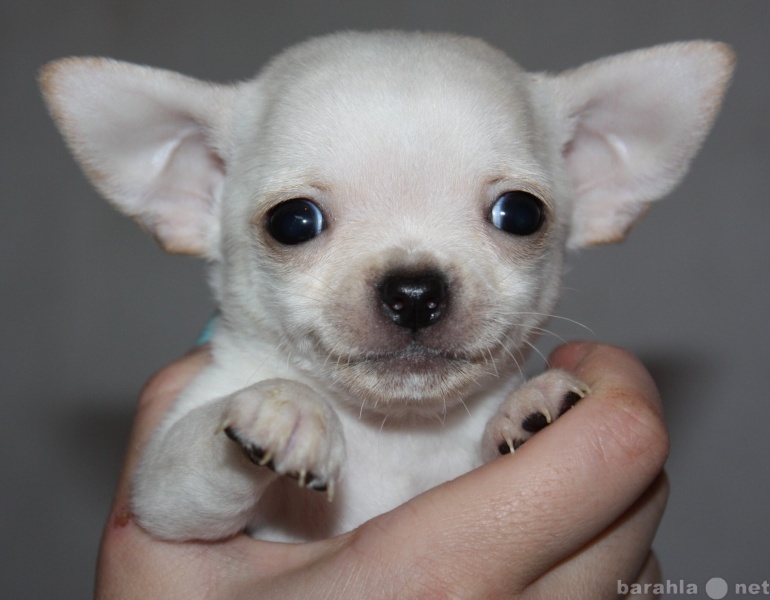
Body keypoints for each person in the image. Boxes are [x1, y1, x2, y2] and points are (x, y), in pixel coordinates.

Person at [95, 342, 669, 599]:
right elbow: (167, 510)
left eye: (512, 216)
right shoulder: (246, 368)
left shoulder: (510, 406)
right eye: (298, 222)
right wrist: (245, 433)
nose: (413, 286)